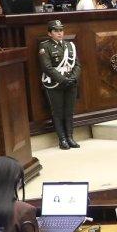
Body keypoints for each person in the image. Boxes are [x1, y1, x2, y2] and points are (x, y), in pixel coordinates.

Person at [39, 20, 80, 149]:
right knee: (57, 112)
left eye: (61, 30)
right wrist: (63, 80)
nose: (59, 33)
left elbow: (77, 65)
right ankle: (62, 139)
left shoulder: (70, 45)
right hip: (55, 83)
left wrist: (73, 78)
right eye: (56, 31)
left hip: (71, 82)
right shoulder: (45, 46)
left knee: (69, 111)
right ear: (49, 33)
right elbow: (47, 67)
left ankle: (70, 137)